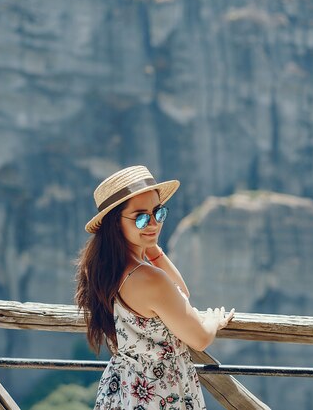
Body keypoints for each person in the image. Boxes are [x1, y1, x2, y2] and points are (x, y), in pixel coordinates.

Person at [75, 165, 235, 410]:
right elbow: (200, 338)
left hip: (124, 389)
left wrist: (148, 246)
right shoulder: (150, 279)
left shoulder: (104, 270)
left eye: (158, 213)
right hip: (161, 393)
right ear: (115, 223)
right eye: (140, 217)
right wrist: (214, 320)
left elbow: (179, 292)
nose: (153, 223)